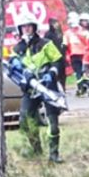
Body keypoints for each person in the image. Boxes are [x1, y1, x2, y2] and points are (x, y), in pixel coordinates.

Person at [10, 12, 67, 162]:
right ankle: (36, 149)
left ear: (34, 27)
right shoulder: (17, 49)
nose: (26, 29)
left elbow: (58, 61)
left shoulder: (46, 43)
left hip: (47, 86)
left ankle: (54, 154)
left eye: (29, 26)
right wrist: (15, 65)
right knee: (25, 120)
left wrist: (52, 73)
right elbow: (11, 67)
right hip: (30, 88)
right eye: (23, 27)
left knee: (52, 122)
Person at [70, 13, 89, 96]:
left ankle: (86, 88)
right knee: (80, 73)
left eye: (85, 21)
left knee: (85, 73)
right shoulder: (82, 32)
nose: (84, 23)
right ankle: (83, 88)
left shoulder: (87, 32)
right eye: (82, 21)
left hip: (84, 55)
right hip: (79, 55)